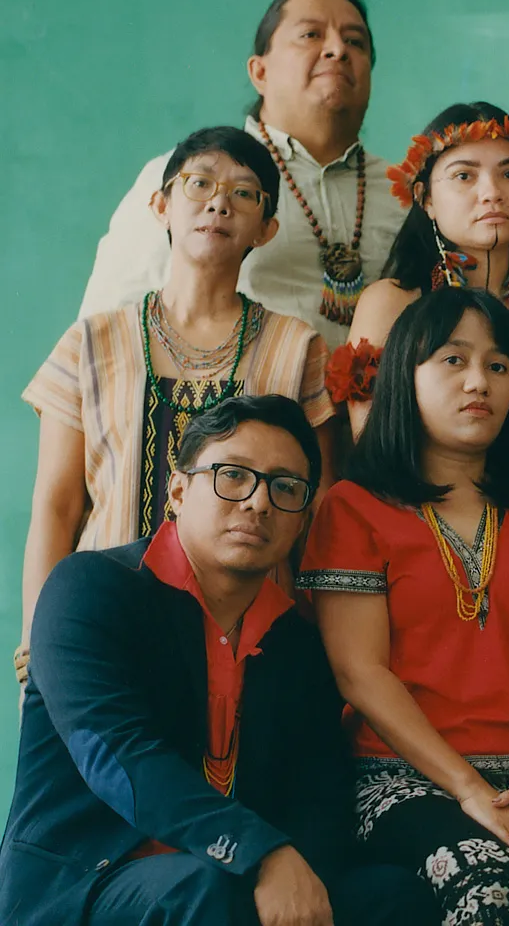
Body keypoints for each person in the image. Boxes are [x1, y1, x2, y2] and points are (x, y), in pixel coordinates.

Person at [0, 394, 437, 926]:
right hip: (91, 879)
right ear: (179, 490)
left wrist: (301, 875)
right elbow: (114, 753)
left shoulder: (297, 643)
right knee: (201, 888)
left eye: (285, 488)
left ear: (301, 519)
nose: (258, 503)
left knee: (392, 896)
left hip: (237, 877)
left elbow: (318, 792)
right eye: (233, 475)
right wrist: (260, 854)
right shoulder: (89, 587)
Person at [298, 288, 509, 925]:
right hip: (403, 777)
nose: (478, 381)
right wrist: (472, 792)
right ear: (406, 376)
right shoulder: (353, 507)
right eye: (453, 361)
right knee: (483, 888)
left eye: (498, 366)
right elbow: (360, 674)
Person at [20, 125, 334, 687]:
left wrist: (316, 647)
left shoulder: (296, 347)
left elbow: (318, 507)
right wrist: (42, 637)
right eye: (199, 183)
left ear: (265, 229)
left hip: (252, 638)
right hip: (104, 626)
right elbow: (58, 505)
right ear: (161, 205)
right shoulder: (92, 342)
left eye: (244, 191)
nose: (218, 201)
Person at [79, 0, 405, 349]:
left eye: (355, 42)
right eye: (311, 35)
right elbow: (101, 339)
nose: (337, 50)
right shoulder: (188, 179)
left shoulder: (408, 194)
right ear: (260, 72)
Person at [328, 102, 509, 443]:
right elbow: (372, 451)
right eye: (464, 175)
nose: (492, 193)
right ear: (425, 199)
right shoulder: (391, 305)